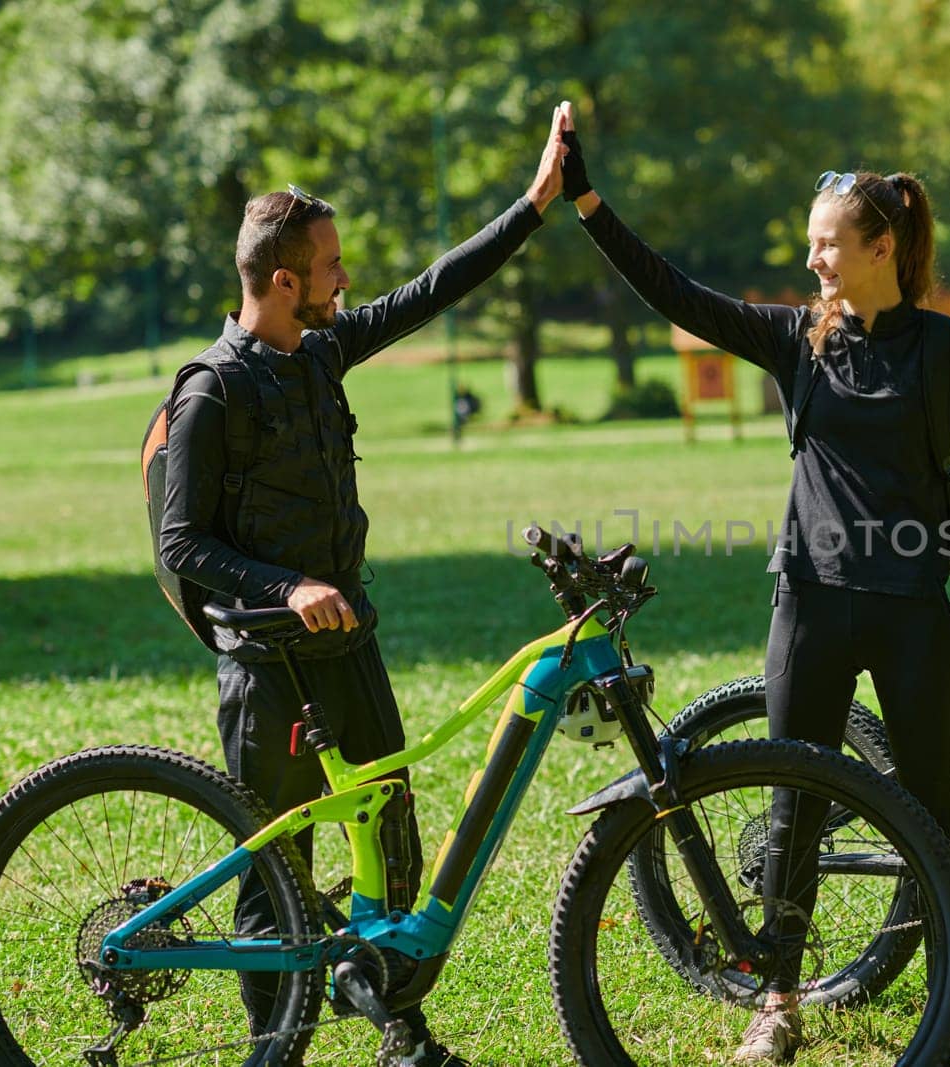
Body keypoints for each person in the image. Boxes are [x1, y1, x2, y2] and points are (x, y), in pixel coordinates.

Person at [556, 104, 950, 1063]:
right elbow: (678, 295)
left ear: (883, 246)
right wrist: (587, 201)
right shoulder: (800, 341)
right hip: (812, 605)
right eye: (812, 245)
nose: (815, 261)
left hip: (914, 614)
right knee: (795, 807)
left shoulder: (944, 350)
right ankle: (776, 1000)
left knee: (936, 815)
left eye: (830, 246)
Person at [157, 108, 569, 1066]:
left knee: (390, 838)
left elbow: (432, 291)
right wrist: (290, 585)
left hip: (352, 643)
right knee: (278, 873)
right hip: (269, 665)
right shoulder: (211, 392)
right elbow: (185, 542)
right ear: (285, 279)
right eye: (333, 264)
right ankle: (278, 1051)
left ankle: (400, 1032)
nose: (348, 278)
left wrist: (532, 206)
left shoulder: (322, 352)